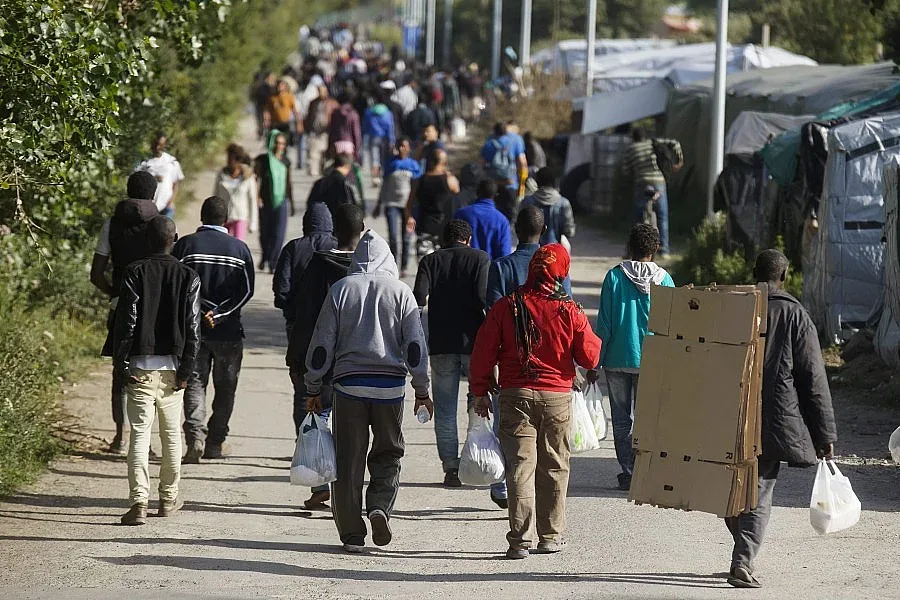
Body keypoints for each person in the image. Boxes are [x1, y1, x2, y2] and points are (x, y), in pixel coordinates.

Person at [304, 230, 432, 553]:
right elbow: (415, 346)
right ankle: (379, 507)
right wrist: (421, 389)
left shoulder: (341, 290)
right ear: (388, 259)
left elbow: (322, 344)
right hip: (390, 390)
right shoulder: (402, 292)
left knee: (348, 459)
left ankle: (352, 534)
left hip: (349, 388)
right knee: (389, 452)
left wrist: (313, 385)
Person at [471, 244, 602, 559]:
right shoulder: (569, 309)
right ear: (561, 272)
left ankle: (519, 541)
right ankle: (550, 537)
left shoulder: (507, 306)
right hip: (557, 398)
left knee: (520, 466)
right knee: (555, 465)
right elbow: (590, 356)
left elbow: (483, 351)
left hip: (515, 396)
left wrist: (480, 391)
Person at [723, 249, 837, 589]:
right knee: (759, 488)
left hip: (728, 412)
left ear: (754, 272)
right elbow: (812, 378)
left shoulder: (733, 306)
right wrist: (824, 434)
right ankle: (742, 561)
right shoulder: (794, 314)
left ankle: (742, 550)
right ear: (784, 276)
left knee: (731, 488)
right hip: (772, 417)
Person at [114, 216, 201, 525]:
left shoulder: (134, 272)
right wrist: (186, 371)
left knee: (139, 435)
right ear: (174, 239)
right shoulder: (188, 276)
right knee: (171, 435)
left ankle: (138, 503)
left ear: (146, 240)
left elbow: (127, 322)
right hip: (173, 371)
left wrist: (121, 364)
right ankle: (168, 499)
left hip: (139, 367)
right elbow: (193, 329)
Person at [285, 204, 365, 509]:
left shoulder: (318, 267)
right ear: (362, 230)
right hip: (359, 363)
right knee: (353, 431)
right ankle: (349, 492)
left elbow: (305, 318)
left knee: (317, 418)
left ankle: (320, 484)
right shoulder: (369, 267)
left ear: (335, 231)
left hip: (322, 363)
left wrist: (296, 359)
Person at [587, 223, 674, 491]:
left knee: (621, 419)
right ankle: (645, 470)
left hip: (617, 359)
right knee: (648, 418)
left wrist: (595, 363)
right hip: (652, 360)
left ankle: (628, 472)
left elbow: (604, 324)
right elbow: (673, 325)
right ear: (656, 248)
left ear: (629, 247)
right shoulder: (665, 280)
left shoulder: (614, 277)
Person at [172, 197, 255, 462]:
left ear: (202, 216)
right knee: (226, 388)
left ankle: (195, 438)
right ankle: (215, 444)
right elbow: (247, 290)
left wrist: (199, 310)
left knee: (194, 384)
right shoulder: (240, 249)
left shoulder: (185, 246)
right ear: (226, 219)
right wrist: (219, 314)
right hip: (228, 333)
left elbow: (176, 286)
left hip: (193, 332)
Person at [413, 219, 489, 487]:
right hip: (474, 344)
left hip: (442, 343)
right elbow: (483, 297)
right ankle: (475, 457)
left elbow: (418, 298)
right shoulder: (480, 259)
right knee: (478, 400)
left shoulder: (430, 261)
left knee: (445, 409)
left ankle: (451, 468)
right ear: (468, 239)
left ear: (444, 240)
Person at [91, 171, 160, 454]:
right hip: (152, 308)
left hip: (120, 305)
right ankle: (145, 442)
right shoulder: (160, 224)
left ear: (128, 191)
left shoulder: (112, 224)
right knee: (151, 372)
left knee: (120, 371)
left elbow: (96, 273)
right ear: (153, 194)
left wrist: (114, 293)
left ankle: (120, 437)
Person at [273, 202, 336, 338]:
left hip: (298, 320)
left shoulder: (292, 247)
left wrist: (288, 308)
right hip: (330, 321)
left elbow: (282, 283)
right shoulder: (337, 247)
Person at [620, 128, 683, 256]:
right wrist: (679, 161)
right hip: (658, 182)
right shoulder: (653, 142)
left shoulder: (631, 149)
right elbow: (675, 143)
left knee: (638, 218)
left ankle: (633, 250)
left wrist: (632, 177)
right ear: (645, 137)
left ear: (633, 138)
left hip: (642, 183)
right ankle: (664, 250)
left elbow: (625, 170)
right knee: (662, 217)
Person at [375, 137, 422, 275]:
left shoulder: (414, 165)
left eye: (404, 146)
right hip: (392, 204)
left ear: (409, 148)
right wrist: (379, 204)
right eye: (399, 146)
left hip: (408, 207)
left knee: (406, 237)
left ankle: (404, 266)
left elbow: (418, 186)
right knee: (393, 237)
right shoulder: (391, 164)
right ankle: (393, 264)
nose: (402, 148)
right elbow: (384, 185)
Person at [407, 148, 460, 259]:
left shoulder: (419, 181)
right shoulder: (450, 180)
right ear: (444, 162)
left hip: (424, 228)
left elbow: (409, 203)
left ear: (430, 161)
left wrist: (409, 217)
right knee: (444, 266)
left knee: (425, 265)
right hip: (445, 229)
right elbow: (458, 194)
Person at [254, 130, 295, 273]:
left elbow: (288, 182)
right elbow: (256, 180)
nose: (279, 146)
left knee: (279, 234)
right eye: (277, 143)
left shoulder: (286, 161)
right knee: (265, 232)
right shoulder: (263, 160)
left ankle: (273, 262)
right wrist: (257, 197)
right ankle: (265, 256)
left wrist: (291, 202)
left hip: (281, 201)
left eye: (282, 143)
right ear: (271, 143)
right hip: (265, 201)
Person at [453, 179, 511, 261]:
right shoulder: (502, 221)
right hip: (488, 267)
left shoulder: (461, 214)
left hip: (463, 266)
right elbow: (504, 255)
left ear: (477, 192)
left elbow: (451, 245)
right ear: (496, 195)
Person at [480, 123, 526, 222]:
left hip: (493, 185)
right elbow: (522, 163)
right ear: (506, 131)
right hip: (510, 184)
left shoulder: (489, 142)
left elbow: (482, 164)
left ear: (494, 132)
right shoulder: (516, 140)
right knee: (510, 216)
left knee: (494, 216)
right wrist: (521, 183)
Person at [521, 167, 576, 249]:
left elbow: (520, 228)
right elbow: (569, 232)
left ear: (537, 182)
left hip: (532, 251)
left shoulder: (527, 201)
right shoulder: (564, 203)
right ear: (555, 182)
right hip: (555, 251)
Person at [214, 144, 258, 241]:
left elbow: (252, 200)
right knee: (222, 244)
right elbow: (215, 196)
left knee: (238, 244)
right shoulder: (221, 174)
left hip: (240, 216)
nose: (229, 162)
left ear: (238, 161)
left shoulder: (248, 177)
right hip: (223, 217)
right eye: (228, 158)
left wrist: (253, 223)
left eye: (231, 159)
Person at [137, 131, 185, 218]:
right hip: (147, 207)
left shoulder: (171, 162)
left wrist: (171, 201)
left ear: (165, 145)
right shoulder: (144, 161)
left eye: (161, 145)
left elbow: (175, 184)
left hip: (165, 207)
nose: (158, 147)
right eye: (156, 144)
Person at [304, 85, 339, 177]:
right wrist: (307, 127)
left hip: (327, 131)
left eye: (322, 91)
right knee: (313, 153)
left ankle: (323, 170)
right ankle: (313, 171)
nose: (320, 93)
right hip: (314, 131)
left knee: (324, 152)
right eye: (319, 91)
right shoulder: (313, 102)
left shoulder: (332, 103)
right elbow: (309, 116)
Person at [362, 92, 396, 184]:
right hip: (385, 138)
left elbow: (364, 126)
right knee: (383, 158)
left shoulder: (369, 112)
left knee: (374, 158)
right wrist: (392, 141)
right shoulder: (388, 113)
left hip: (373, 137)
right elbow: (390, 128)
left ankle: (375, 177)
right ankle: (383, 175)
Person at [264, 79, 301, 148]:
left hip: (286, 123)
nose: (279, 87)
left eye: (281, 85)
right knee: (275, 143)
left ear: (285, 87)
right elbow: (267, 110)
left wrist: (298, 123)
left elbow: (295, 111)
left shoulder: (289, 96)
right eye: (278, 85)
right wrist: (266, 120)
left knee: (285, 143)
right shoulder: (272, 98)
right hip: (275, 123)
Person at [328, 92, 362, 162]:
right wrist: (357, 151)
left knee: (337, 167)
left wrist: (329, 145)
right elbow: (356, 134)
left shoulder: (335, 113)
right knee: (347, 167)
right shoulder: (353, 114)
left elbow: (331, 130)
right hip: (349, 146)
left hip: (336, 144)